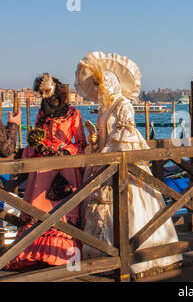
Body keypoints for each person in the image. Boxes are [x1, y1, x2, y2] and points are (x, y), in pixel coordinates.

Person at [75, 52, 182, 275]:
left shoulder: (124, 105)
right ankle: (105, 254)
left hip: (124, 163)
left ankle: (136, 255)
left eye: (102, 87)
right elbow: (106, 136)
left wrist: (107, 151)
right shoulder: (104, 108)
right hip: (105, 162)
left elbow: (126, 136)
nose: (100, 91)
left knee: (132, 206)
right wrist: (96, 139)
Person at [5, 73, 87, 270]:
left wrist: (65, 150)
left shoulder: (73, 114)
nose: (44, 98)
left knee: (64, 214)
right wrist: (36, 146)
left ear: (57, 92)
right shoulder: (42, 114)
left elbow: (81, 143)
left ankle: (64, 256)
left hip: (65, 169)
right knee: (38, 211)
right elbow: (33, 140)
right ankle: (35, 254)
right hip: (41, 171)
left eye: (47, 93)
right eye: (41, 94)